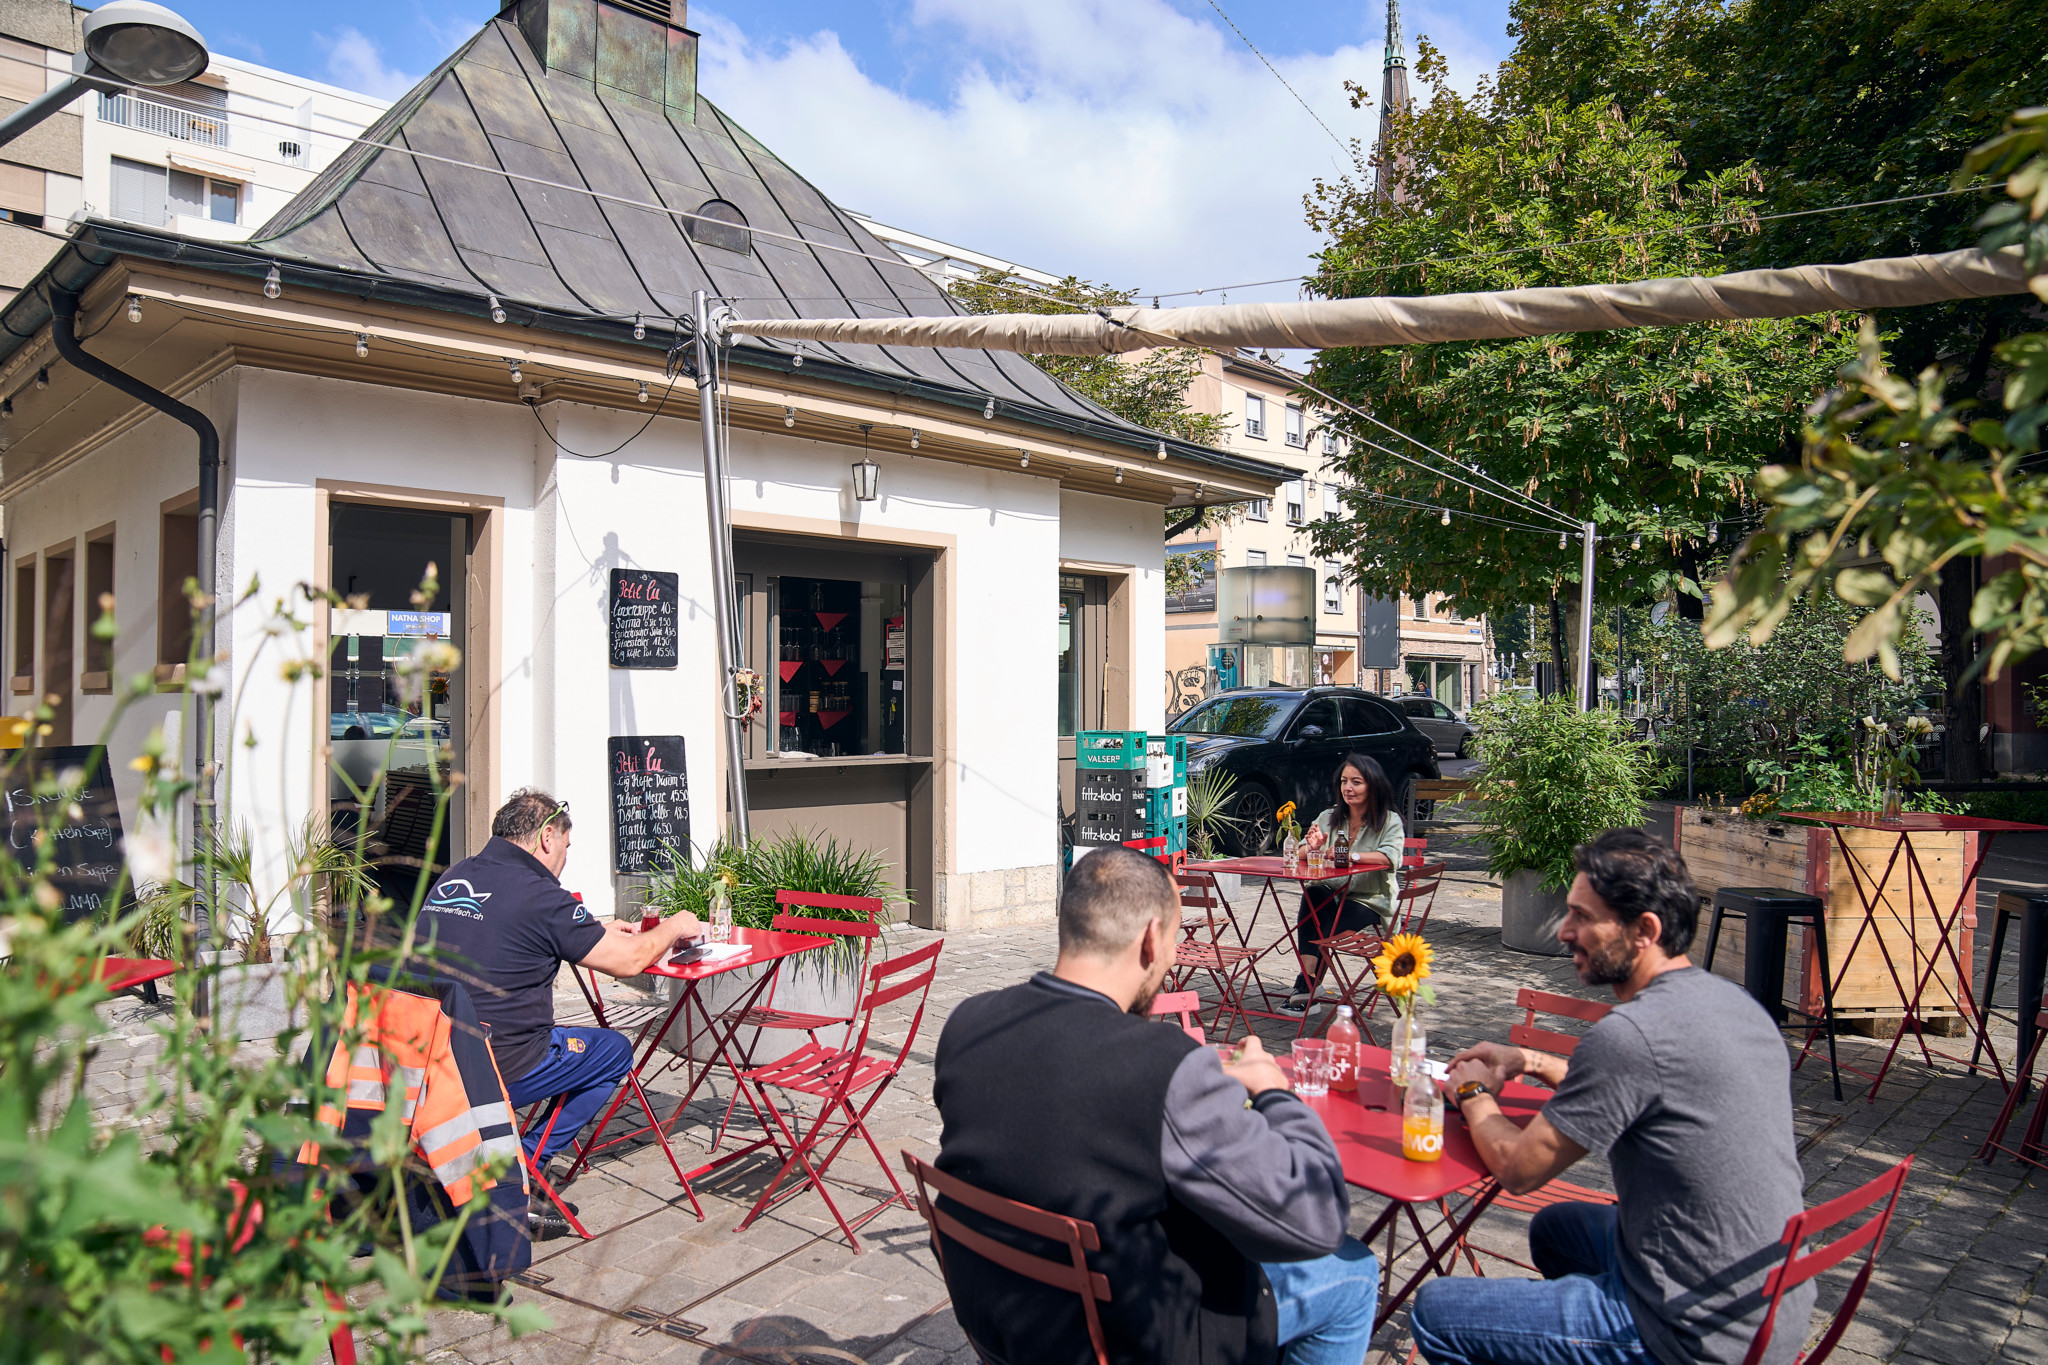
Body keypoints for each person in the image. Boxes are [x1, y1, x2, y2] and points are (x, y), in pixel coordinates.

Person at [932, 846, 1379, 1365]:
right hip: (1131, 1338)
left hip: (1001, 1316)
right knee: (1353, 1269)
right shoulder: (1165, 1064)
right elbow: (1316, 1217)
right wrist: (1271, 1089)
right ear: (1150, 938)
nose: (1170, 963)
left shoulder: (967, 1022)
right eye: (1172, 943)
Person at [1409, 829, 1813, 1365]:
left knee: (1437, 1312)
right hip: (1764, 1300)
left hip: (1691, 1334)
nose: (1565, 931)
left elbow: (1517, 1170)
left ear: (1644, 930)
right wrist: (1528, 1060)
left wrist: (1472, 1090)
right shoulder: (1733, 1004)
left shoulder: (1631, 1035)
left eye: (1582, 916)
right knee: (1558, 1229)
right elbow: (1643, 1083)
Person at [418, 788, 701, 1234]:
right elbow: (629, 962)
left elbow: (508, 932)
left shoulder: (459, 875)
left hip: (432, 1059)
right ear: (547, 837)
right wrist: (677, 925)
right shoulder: (541, 895)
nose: (565, 859)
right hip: (500, 1066)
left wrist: (594, 930)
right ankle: (526, 1164)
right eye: (566, 848)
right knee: (612, 1049)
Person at [1285, 753, 1404, 1012]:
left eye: (1357, 782)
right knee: (1313, 895)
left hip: (1369, 899)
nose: (1348, 788)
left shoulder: (1389, 821)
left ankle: (1304, 987)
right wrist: (1312, 847)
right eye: (1344, 781)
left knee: (1323, 921)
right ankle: (1308, 983)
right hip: (1331, 891)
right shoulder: (1329, 816)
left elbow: (1389, 857)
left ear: (1373, 785)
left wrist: (1352, 856)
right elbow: (1301, 851)